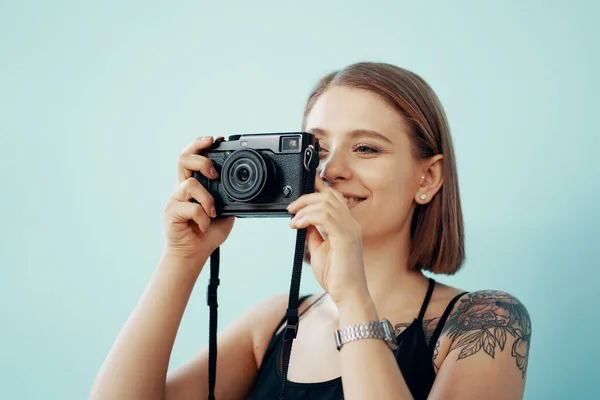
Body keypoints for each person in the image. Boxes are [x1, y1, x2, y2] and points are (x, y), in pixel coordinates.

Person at [89, 62, 531, 400]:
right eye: (315, 148)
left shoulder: (485, 321)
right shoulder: (274, 324)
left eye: (365, 148)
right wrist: (181, 258)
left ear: (428, 178)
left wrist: (353, 298)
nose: (332, 170)